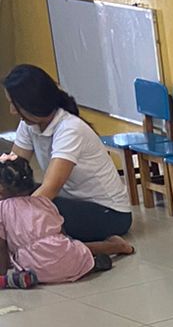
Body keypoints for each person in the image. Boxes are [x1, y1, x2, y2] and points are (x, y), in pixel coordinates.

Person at [2, 65, 135, 257]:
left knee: (33, 212)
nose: (12, 111)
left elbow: (50, 188)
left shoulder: (70, 129)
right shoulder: (29, 125)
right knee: (15, 194)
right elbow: (11, 172)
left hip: (111, 215)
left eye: (15, 105)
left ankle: (109, 247)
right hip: (71, 203)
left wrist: (14, 217)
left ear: (32, 103)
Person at [0, 155, 109, 288]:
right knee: (76, 250)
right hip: (64, 255)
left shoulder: (2, 208)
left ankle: (19, 279)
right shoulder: (43, 201)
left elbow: (1, 247)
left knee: (24, 263)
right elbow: (61, 231)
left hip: (34, 268)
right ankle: (90, 265)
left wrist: (2, 274)